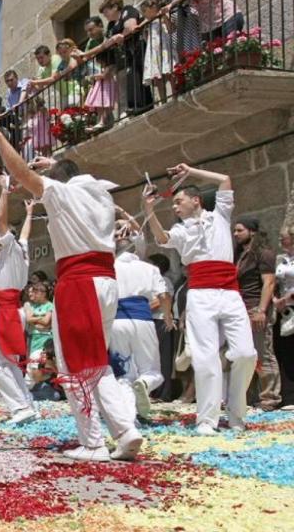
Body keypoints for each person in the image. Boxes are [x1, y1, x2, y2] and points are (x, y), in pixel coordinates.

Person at [0, 121, 143, 462]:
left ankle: (94, 442)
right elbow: (69, 176)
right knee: (97, 361)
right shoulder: (99, 193)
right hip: (107, 282)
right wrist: (57, 166)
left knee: (74, 363)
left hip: (79, 284)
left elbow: (20, 172)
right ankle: (126, 431)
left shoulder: (63, 193)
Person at [143, 164, 256, 435]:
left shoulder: (220, 216)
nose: (175, 207)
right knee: (205, 358)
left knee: (245, 353)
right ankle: (207, 419)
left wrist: (191, 171)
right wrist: (148, 210)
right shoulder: (181, 231)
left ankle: (236, 412)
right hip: (201, 295)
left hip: (229, 293)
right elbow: (161, 238)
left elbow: (226, 178)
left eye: (178, 201)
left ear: (196, 200)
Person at [0, 175, 37, 424]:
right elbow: (26, 235)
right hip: (12, 308)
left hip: (6, 309)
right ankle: (27, 404)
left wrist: (4, 191)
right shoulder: (22, 250)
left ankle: (20, 407)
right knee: (11, 362)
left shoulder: (9, 247)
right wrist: (30, 213)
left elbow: (0, 219)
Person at [110, 223, 168, 420]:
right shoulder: (149, 268)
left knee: (124, 374)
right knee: (153, 371)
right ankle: (144, 383)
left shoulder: (108, 268)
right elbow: (164, 294)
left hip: (115, 323)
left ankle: (129, 418)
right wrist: (167, 315)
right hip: (142, 320)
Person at [233, 217, 280, 412]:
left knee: (263, 354)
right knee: (245, 355)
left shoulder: (263, 253)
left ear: (252, 231)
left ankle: (269, 399)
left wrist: (261, 310)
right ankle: (250, 398)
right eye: (234, 231)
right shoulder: (240, 255)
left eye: (239, 230)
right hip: (241, 309)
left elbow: (269, 283)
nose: (235, 234)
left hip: (256, 309)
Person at [102, 0, 153, 117]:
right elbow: (107, 42)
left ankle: (143, 105)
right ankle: (135, 106)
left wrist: (120, 37)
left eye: (106, 11)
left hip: (137, 48)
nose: (105, 15)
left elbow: (131, 26)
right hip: (126, 56)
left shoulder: (128, 10)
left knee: (138, 75)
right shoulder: (110, 25)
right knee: (132, 79)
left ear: (114, 7)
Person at [147, 253, 177, 401]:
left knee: (163, 357)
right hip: (150, 320)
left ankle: (163, 392)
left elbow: (162, 300)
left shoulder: (164, 281)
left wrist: (141, 308)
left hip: (160, 321)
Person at [139, 0, 173, 105]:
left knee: (168, 72)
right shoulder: (148, 22)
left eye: (145, 10)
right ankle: (162, 101)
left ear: (153, 7)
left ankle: (171, 96)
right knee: (156, 76)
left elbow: (171, 29)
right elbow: (146, 37)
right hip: (154, 50)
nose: (144, 14)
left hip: (164, 47)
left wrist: (164, 17)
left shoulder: (163, 15)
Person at [274, 226, 294, 409]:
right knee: (285, 352)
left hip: (290, 303)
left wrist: (288, 299)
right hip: (283, 311)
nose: (281, 240)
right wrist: (276, 299)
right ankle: (289, 397)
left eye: (284, 237)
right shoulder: (282, 260)